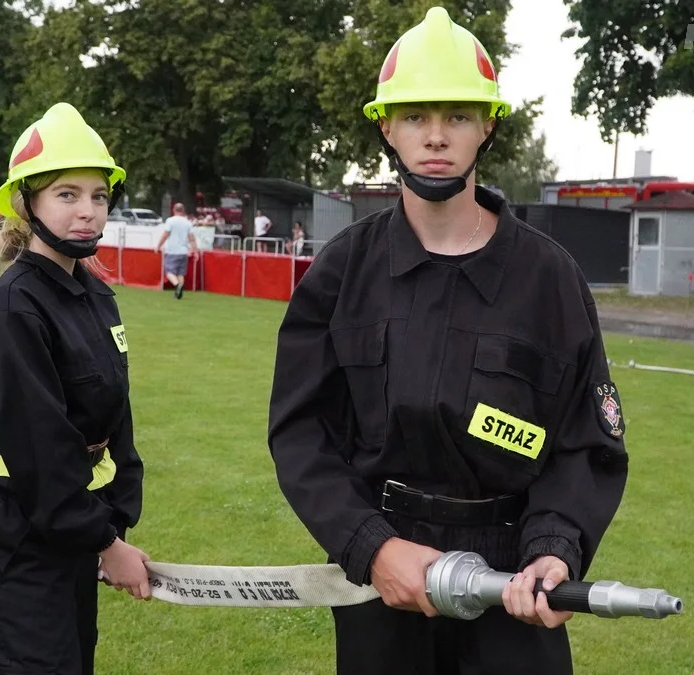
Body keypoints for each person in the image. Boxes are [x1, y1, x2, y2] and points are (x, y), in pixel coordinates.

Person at [266, 8, 628, 674]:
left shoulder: (549, 279)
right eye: (415, 117)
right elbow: (301, 434)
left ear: (489, 123)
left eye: (458, 116)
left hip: (511, 577)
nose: (436, 137)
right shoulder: (340, 275)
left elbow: (584, 441)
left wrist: (555, 548)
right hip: (383, 581)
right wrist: (372, 546)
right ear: (386, 127)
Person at [0, 102, 151, 675]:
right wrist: (105, 545)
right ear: (26, 203)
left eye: (98, 195)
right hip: (20, 530)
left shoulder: (95, 293)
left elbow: (117, 414)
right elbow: (39, 446)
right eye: (67, 195)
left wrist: (112, 522)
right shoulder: (14, 308)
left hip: (73, 523)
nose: (87, 212)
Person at [156, 202, 197, 299]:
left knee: (169, 271)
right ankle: (178, 293)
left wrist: (158, 246)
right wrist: (195, 250)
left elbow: (165, 234)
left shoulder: (170, 221)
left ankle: (177, 285)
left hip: (172, 251)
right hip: (183, 251)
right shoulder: (187, 222)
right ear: (183, 211)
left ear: (174, 210)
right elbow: (191, 238)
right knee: (180, 273)